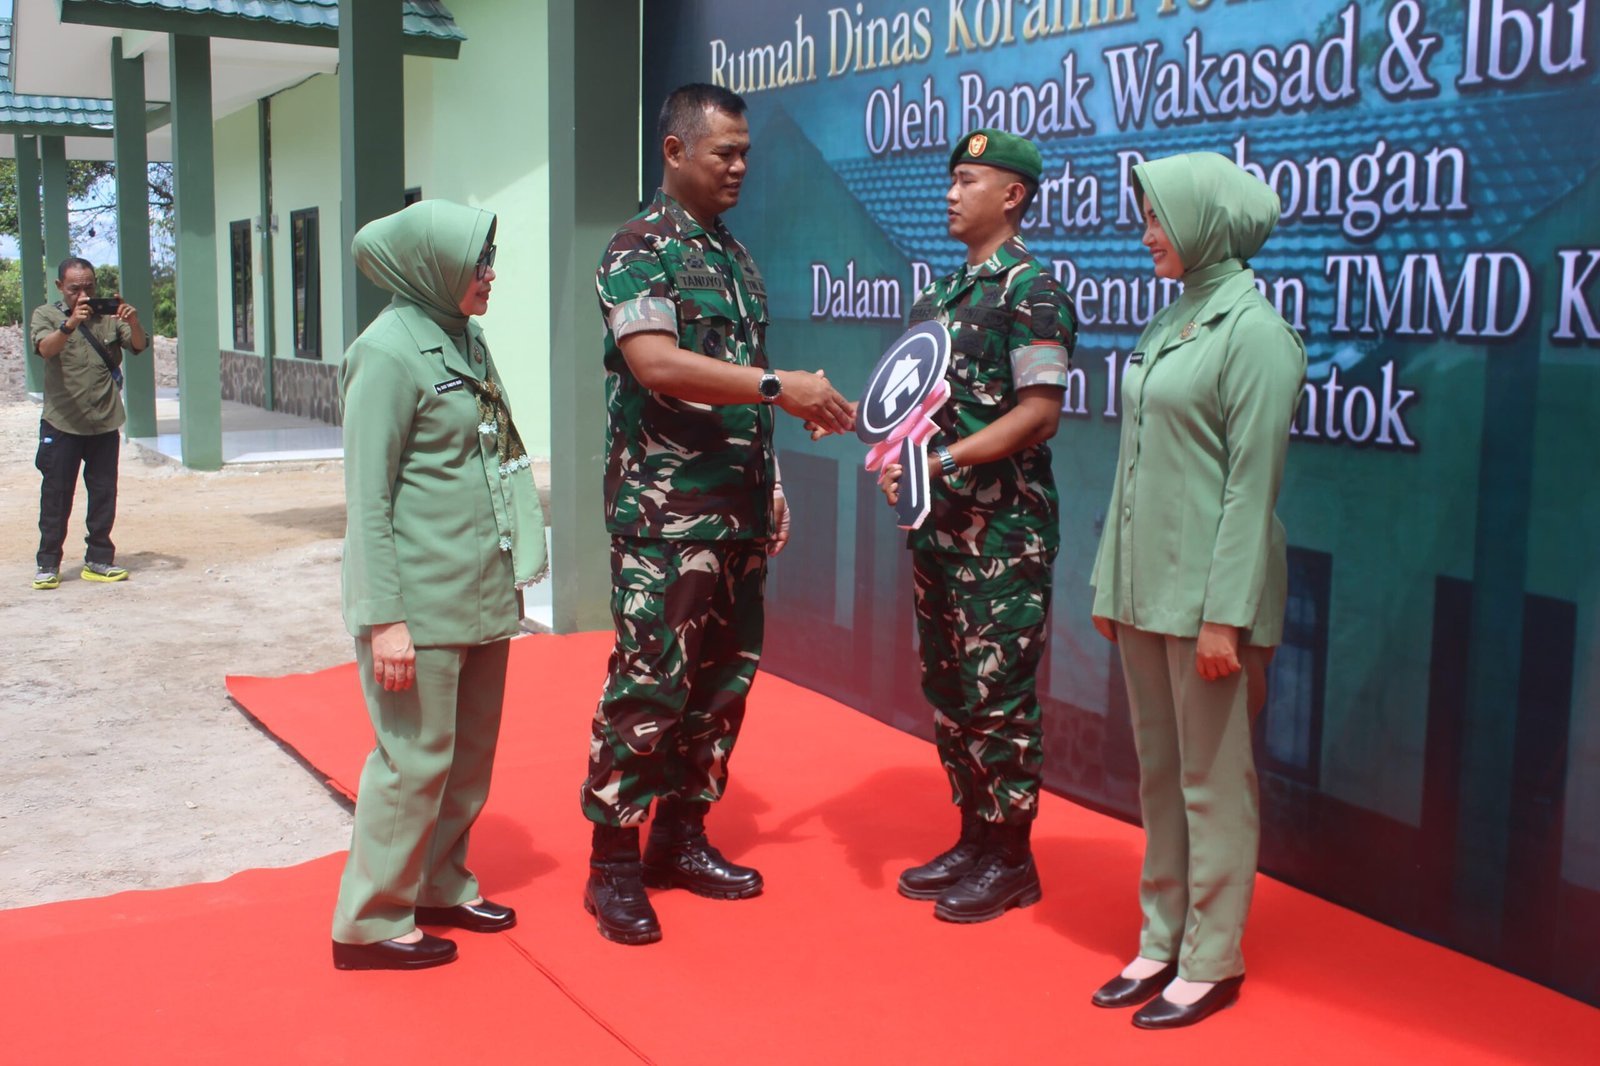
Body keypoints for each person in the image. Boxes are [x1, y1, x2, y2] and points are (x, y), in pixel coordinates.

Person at [580, 83, 854, 946]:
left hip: (734, 513)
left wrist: (769, 483)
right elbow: (657, 364)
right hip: (666, 518)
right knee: (651, 684)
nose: (740, 166)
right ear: (674, 152)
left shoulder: (733, 257)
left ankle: (681, 839)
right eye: (723, 152)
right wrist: (782, 389)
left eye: (745, 153)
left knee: (720, 686)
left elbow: (735, 385)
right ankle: (613, 865)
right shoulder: (639, 249)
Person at [1087, 151, 1305, 1028]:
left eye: (1159, 219)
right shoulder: (1171, 322)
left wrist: (1227, 620)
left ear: (1206, 223)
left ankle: (1212, 959)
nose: (1145, 234)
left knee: (1214, 781)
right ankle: (1161, 936)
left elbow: (1253, 492)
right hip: (1145, 593)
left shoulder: (1255, 335)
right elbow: (1132, 463)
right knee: (1159, 774)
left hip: (1209, 602)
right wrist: (1111, 581)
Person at [330, 200, 546, 971]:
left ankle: (439, 883)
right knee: (412, 761)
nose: (489, 276)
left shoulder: (466, 338)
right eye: (476, 264)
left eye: (489, 260)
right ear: (434, 268)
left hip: (479, 587)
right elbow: (368, 498)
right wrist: (384, 619)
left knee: (467, 760)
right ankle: (371, 919)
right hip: (418, 601)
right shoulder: (386, 354)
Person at [876, 129, 1076, 924]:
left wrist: (944, 464)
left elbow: (1040, 415)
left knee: (1000, 697)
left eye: (968, 179)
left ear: (1013, 194)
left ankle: (1012, 857)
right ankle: (973, 836)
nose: (951, 193)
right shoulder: (940, 299)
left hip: (1004, 536)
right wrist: (900, 461)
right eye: (951, 180)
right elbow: (914, 411)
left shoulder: (1036, 292)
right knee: (952, 691)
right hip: (939, 530)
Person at [29, 257, 147, 590]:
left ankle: (99, 558)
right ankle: (48, 563)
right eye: (74, 288)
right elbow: (45, 349)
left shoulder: (109, 317)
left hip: (104, 421)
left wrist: (134, 321)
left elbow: (138, 345)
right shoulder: (46, 316)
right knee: (56, 494)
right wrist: (69, 325)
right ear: (59, 287)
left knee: (103, 493)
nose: (83, 294)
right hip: (62, 423)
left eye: (89, 287)